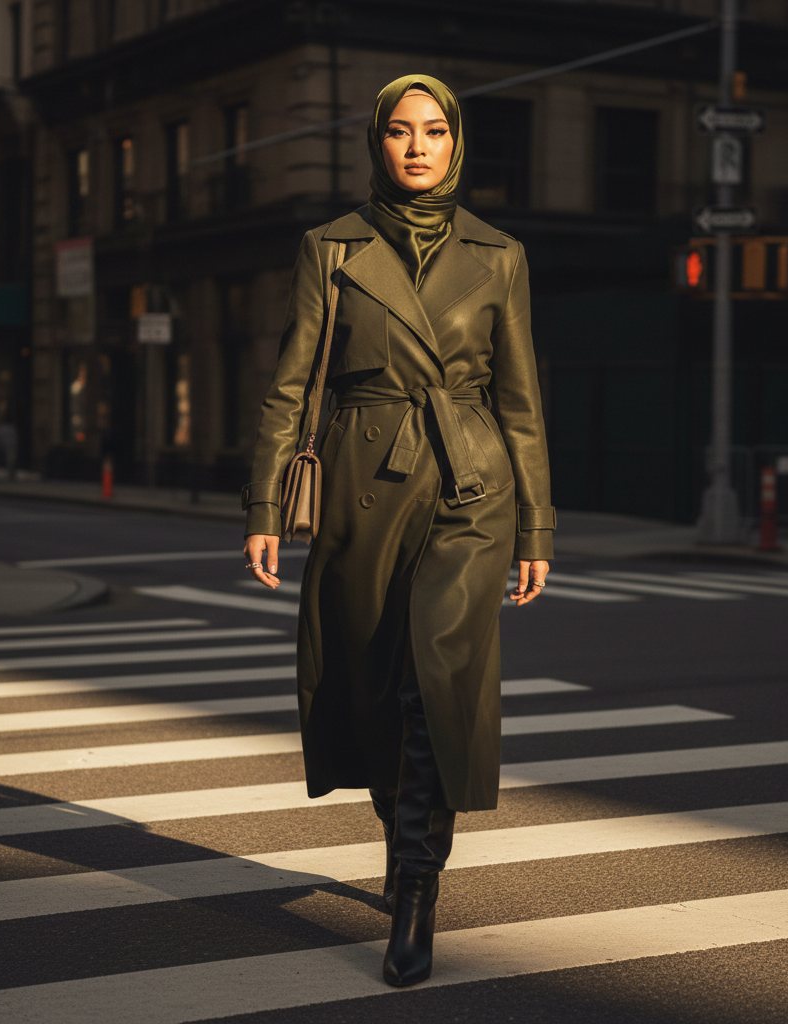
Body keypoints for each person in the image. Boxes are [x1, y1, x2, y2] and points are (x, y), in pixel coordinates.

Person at [242, 74, 554, 988]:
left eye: (435, 131)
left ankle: (417, 885)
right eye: (400, 131)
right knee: (374, 683)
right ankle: (400, 832)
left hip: (470, 482)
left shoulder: (500, 254)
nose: (418, 147)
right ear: (376, 141)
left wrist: (535, 526)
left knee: (433, 681)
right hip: (359, 482)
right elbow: (291, 385)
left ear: (456, 142)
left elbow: (521, 401)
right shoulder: (330, 248)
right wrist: (265, 506)